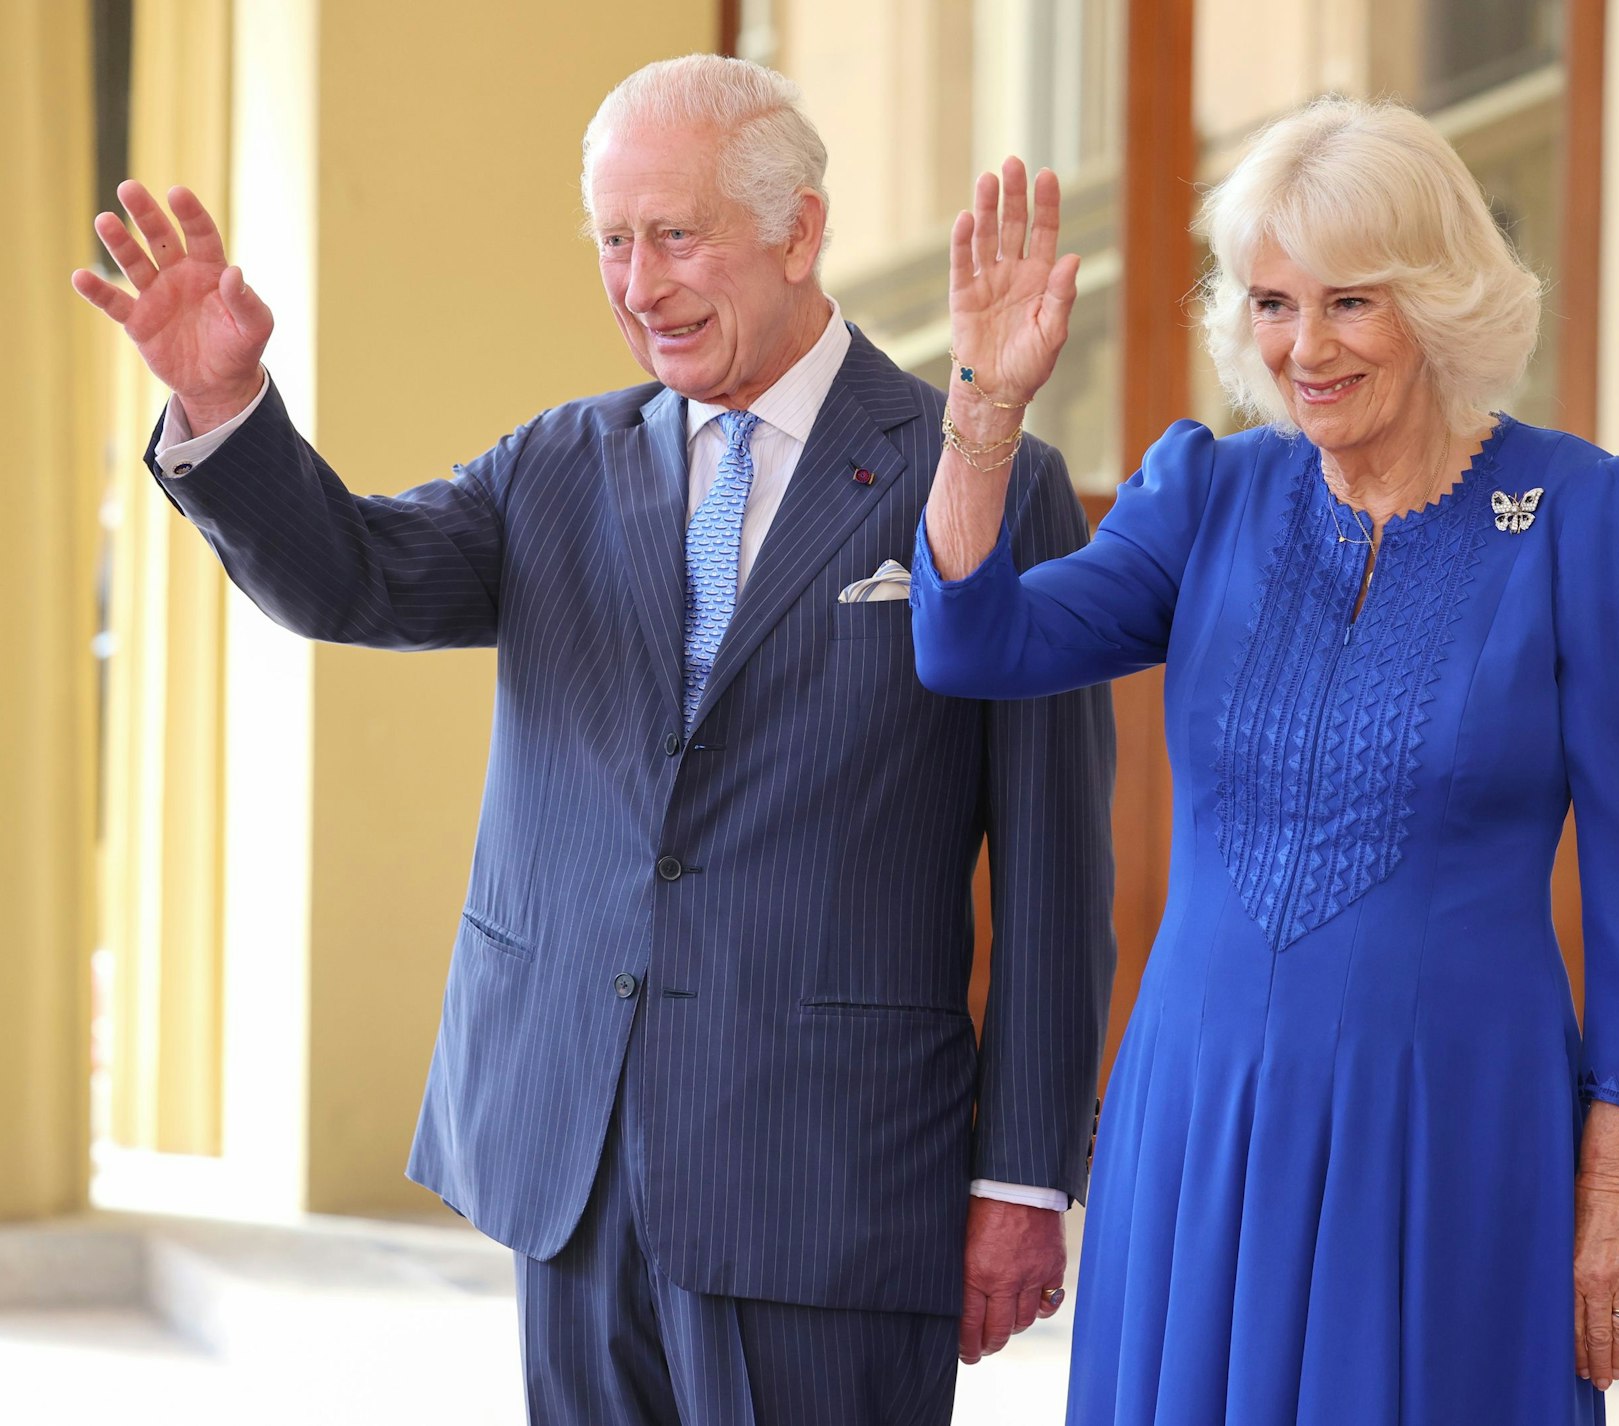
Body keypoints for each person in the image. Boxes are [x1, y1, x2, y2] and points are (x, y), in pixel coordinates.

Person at [73, 54, 1115, 1426]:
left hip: (826, 1175)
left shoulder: (978, 474)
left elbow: (1052, 866)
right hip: (572, 1152)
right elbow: (353, 577)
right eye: (613, 241)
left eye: (674, 234)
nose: (637, 282)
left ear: (799, 231)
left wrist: (1023, 1177)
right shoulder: (558, 462)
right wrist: (224, 407)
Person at [912, 96, 1619, 1424]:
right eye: (1271, 303)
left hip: (1453, 1118)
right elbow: (972, 641)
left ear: (1438, 302)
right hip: (1200, 1111)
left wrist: (1615, 1183)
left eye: (1348, 303)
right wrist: (982, 405)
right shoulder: (1206, 491)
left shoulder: (1582, 515)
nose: (1300, 347)